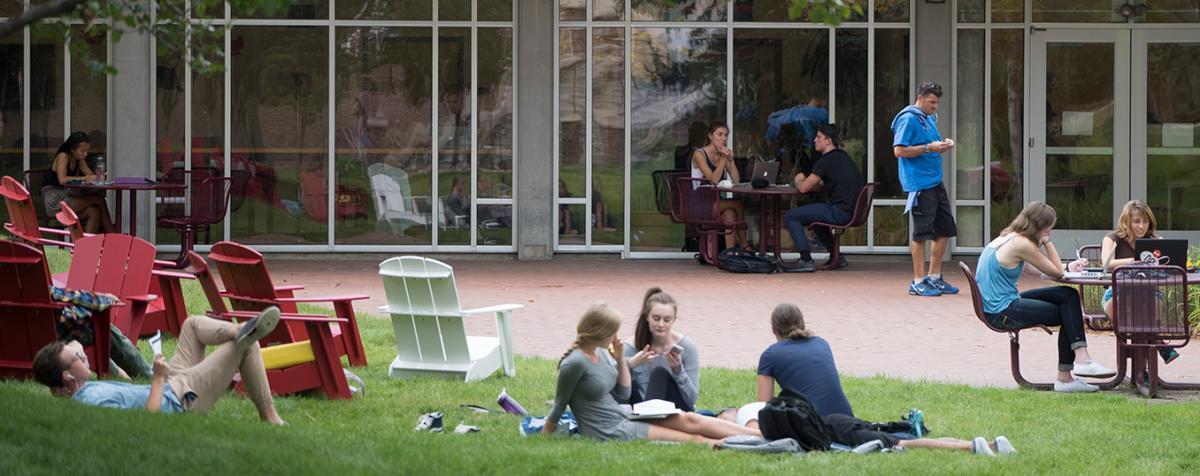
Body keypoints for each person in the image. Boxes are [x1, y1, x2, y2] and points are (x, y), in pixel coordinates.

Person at [543, 303, 760, 446]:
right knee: (695, 439)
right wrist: (543, 438)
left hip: (624, 414)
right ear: (599, 332)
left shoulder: (601, 352)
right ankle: (763, 446)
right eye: (613, 331)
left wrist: (620, 359)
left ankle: (760, 435)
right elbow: (559, 405)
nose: (616, 336)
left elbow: (624, 391)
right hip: (609, 430)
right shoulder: (574, 363)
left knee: (691, 418)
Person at [31, 308, 287, 424]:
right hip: (180, 398)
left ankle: (237, 329)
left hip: (170, 383)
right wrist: (158, 378)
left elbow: (73, 347)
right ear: (66, 375)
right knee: (247, 345)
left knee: (192, 325)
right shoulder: (92, 401)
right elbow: (147, 423)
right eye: (76, 359)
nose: (82, 356)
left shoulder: (84, 389)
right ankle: (270, 419)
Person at [975, 202, 1116, 392]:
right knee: (1068, 311)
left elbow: (1032, 267)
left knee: (1068, 295)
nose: (1050, 231)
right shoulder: (1022, 244)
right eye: (1049, 228)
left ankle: (1074, 369)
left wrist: (1069, 267)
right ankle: (1073, 370)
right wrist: (1048, 242)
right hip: (1002, 310)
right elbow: (1057, 273)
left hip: (1000, 304)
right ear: (1041, 226)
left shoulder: (1008, 237)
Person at [716, 403, 1016, 456]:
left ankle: (971, 447)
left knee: (903, 446)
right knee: (899, 439)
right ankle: (989, 443)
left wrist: (729, 439)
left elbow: (758, 436)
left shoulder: (744, 415)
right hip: (835, 420)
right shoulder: (758, 405)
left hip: (837, 431)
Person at [890, 82, 958, 297]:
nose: (935, 107)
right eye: (931, 102)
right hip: (919, 185)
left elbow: (931, 147)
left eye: (937, 103)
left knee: (945, 229)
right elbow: (899, 150)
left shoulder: (928, 118)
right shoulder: (908, 118)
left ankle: (934, 277)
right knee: (921, 233)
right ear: (920, 98)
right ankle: (918, 281)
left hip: (935, 181)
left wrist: (942, 146)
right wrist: (930, 147)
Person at [1099, 200, 1178, 364]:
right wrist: (1137, 259)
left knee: (1147, 313)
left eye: (1145, 221)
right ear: (1126, 222)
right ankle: (1156, 345)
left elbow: (1168, 267)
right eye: (1136, 221)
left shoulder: (1155, 240)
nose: (1141, 226)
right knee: (1136, 319)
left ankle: (1141, 370)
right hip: (1117, 292)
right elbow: (1106, 264)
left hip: (1148, 292)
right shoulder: (1112, 238)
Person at [779, 124, 864, 273]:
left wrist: (798, 179)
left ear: (828, 140)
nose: (814, 140)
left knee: (791, 216)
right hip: (850, 211)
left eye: (818, 137)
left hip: (840, 212)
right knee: (817, 223)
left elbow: (804, 188)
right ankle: (837, 257)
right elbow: (825, 185)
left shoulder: (825, 161)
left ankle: (805, 259)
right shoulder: (842, 156)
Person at [755, 303, 854, 418]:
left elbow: (763, 408)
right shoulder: (821, 343)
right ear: (802, 324)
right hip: (847, 421)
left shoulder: (770, 355)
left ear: (774, 330)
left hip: (812, 426)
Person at [622, 287, 700, 412]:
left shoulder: (687, 346)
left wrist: (678, 371)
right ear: (647, 317)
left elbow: (692, 401)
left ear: (674, 320)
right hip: (639, 408)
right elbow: (617, 391)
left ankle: (650, 420)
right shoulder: (630, 347)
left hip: (675, 409)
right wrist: (629, 364)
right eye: (656, 318)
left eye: (667, 320)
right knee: (622, 370)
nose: (661, 325)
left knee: (660, 373)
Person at [691, 121, 750, 251]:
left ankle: (729, 254)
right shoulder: (699, 154)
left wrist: (730, 159)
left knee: (730, 213)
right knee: (737, 204)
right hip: (700, 204)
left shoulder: (722, 154)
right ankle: (745, 246)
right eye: (720, 134)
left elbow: (736, 179)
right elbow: (713, 180)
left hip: (716, 202)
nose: (723, 138)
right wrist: (723, 159)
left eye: (726, 135)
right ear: (710, 136)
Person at [44, 131, 115, 233]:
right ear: (73, 149)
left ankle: (85, 246)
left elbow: (90, 175)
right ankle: (112, 234)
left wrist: (97, 177)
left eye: (87, 151)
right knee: (99, 199)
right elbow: (62, 179)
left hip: (68, 196)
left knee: (94, 211)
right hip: (55, 200)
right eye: (82, 151)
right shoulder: (63, 156)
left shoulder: (78, 159)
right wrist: (85, 178)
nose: (85, 154)